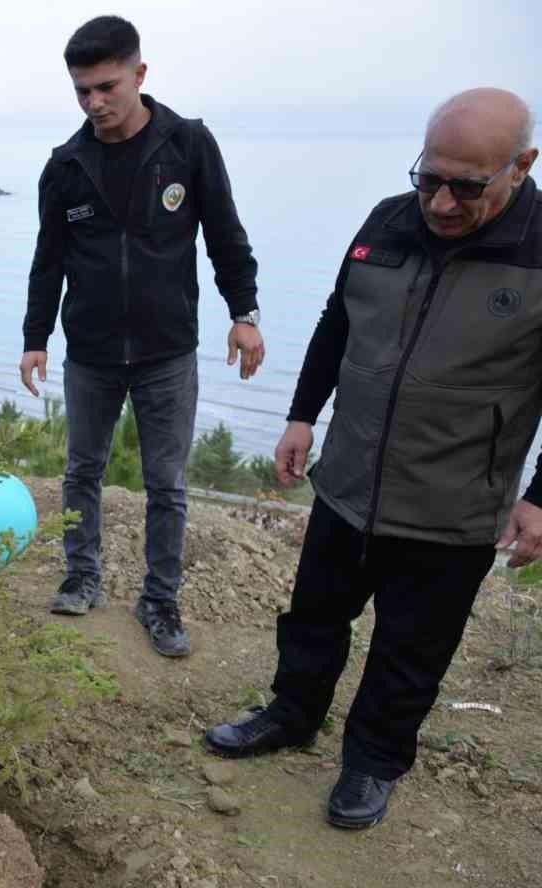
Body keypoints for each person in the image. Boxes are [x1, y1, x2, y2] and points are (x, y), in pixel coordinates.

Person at [204, 88, 542, 830]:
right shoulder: (387, 221)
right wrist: (301, 416)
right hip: (350, 479)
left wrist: (541, 495)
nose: (442, 203)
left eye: (467, 186)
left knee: (409, 649)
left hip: (454, 503)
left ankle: (372, 763)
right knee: (315, 617)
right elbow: (337, 320)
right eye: (431, 178)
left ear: (522, 165)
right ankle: (292, 714)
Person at [20, 15, 264, 658]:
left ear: (140, 74)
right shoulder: (66, 165)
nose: (95, 102)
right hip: (92, 352)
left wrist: (246, 313)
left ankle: (160, 599)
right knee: (82, 471)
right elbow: (48, 260)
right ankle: (82, 575)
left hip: (167, 351)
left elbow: (226, 236)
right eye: (82, 91)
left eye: (107, 86)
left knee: (167, 485)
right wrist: (35, 336)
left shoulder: (188, 144)